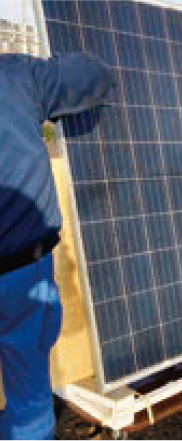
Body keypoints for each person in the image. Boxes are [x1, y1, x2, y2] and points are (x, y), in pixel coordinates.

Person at [0, 51, 114, 440]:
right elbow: (94, 74)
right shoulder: (16, 75)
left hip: (18, 267)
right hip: (19, 272)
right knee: (29, 393)